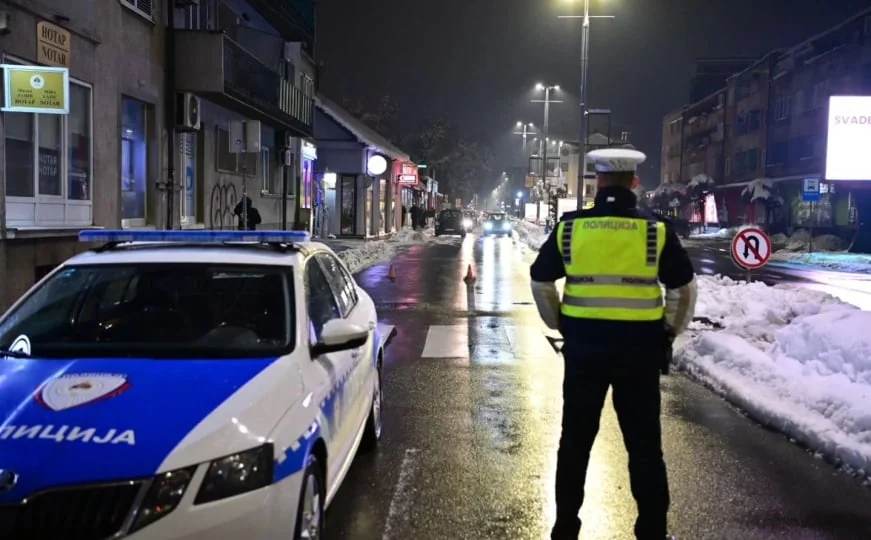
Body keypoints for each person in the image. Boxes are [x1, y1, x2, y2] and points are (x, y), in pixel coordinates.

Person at [530, 147, 697, 540]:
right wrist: (667, 331)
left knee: (575, 441)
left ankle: (566, 526)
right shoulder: (655, 230)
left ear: (598, 181)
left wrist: (562, 323)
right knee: (644, 446)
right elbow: (684, 289)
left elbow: (540, 280)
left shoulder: (570, 228)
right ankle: (652, 530)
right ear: (634, 183)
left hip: (584, 352)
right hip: (639, 355)